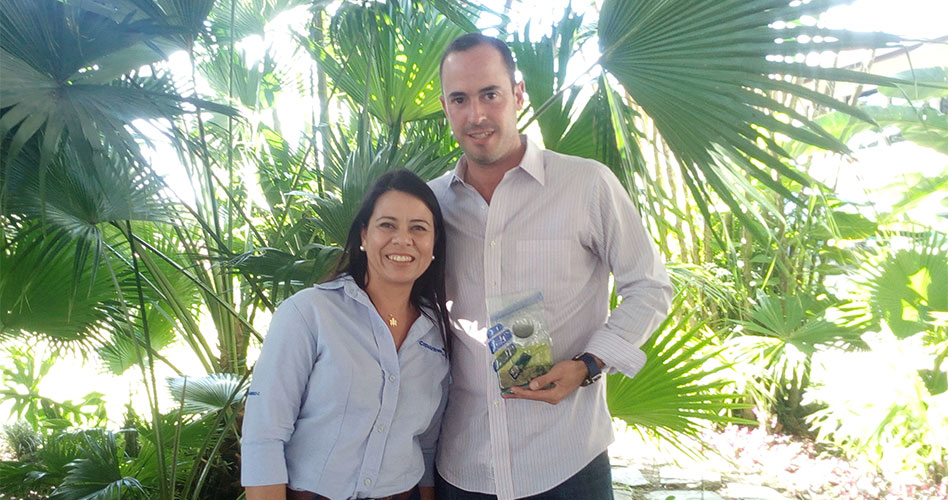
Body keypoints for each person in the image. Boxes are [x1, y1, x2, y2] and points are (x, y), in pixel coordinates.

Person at [429, 33, 674, 500]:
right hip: (464, 465)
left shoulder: (586, 186)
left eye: (490, 94)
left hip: (565, 461)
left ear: (518, 94)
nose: (476, 114)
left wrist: (589, 363)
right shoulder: (430, 205)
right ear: (445, 105)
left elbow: (649, 286)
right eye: (460, 99)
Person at [241, 169, 451, 500]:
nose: (403, 239)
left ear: (434, 243)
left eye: (418, 228)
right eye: (387, 225)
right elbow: (263, 437)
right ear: (364, 236)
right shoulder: (308, 313)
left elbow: (425, 445)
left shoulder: (438, 335)